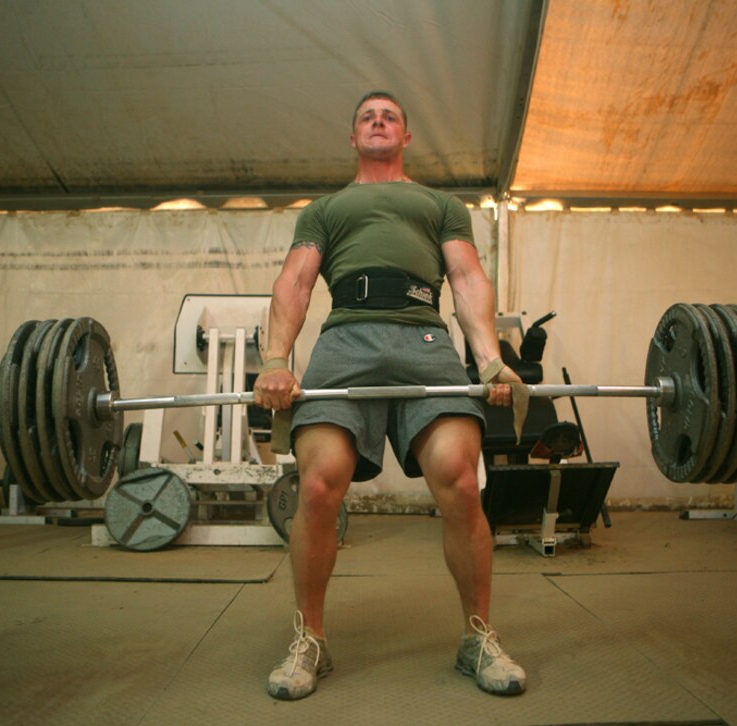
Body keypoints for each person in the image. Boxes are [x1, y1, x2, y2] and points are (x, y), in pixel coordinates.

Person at [253, 91, 526, 699]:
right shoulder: (325, 209)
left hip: (425, 337)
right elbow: (296, 281)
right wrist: (276, 360)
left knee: (458, 476)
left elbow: (466, 278)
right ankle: (310, 639)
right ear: (353, 138)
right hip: (346, 336)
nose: (378, 121)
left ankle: (478, 636)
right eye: (366, 117)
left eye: (390, 117)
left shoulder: (439, 204)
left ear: (405, 137)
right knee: (319, 484)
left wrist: (490, 362)